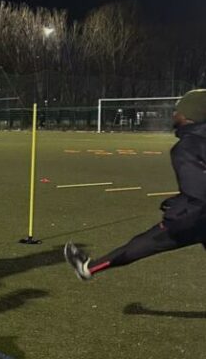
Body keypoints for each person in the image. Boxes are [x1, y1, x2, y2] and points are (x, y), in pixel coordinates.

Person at [65, 89, 206, 280]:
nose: (174, 114)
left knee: (145, 243)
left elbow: (198, 195)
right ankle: (88, 268)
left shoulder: (187, 147)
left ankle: (87, 269)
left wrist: (176, 213)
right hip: (197, 215)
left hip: (195, 219)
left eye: (178, 110)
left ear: (190, 115)